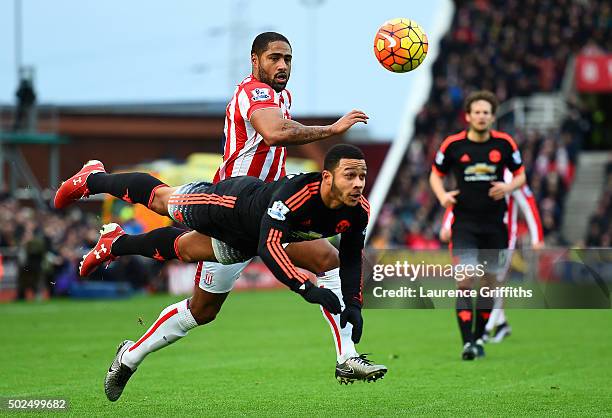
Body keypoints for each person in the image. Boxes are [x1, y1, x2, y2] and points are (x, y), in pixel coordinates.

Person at [55, 144, 387, 401]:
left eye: (362, 176)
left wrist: (354, 304)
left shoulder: (358, 209)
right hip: (228, 205)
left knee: (197, 290)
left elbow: (352, 256)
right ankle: (93, 179)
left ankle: (347, 356)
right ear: (328, 177)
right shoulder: (295, 190)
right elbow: (269, 248)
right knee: (162, 201)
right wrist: (305, 288)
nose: (358, 184)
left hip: (251, 239)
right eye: (350, 176)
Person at [429, 90, 526, 360]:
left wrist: (507, 186)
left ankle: (479, 337)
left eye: (487, 112)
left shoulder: (505, 144)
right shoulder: (453, 145)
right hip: (465, 225)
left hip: (496, 226)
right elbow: (435, 175)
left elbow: (521, 176)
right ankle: (468, 343)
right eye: (477, 112)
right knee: (465, 280)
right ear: (468, 116)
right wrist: (442, 196)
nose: (482, 116)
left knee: (489, 284)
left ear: (493, 117)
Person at [439, 168, 544, 343]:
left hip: (501, 237)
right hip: (473, 235)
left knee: (494, 281)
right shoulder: (475, 170)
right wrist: (447, 225)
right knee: (480, 281)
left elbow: (528, 203)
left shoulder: (511, 177)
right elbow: (459, 199)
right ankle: (499, 323)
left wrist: (537, 237)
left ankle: (485, 330)